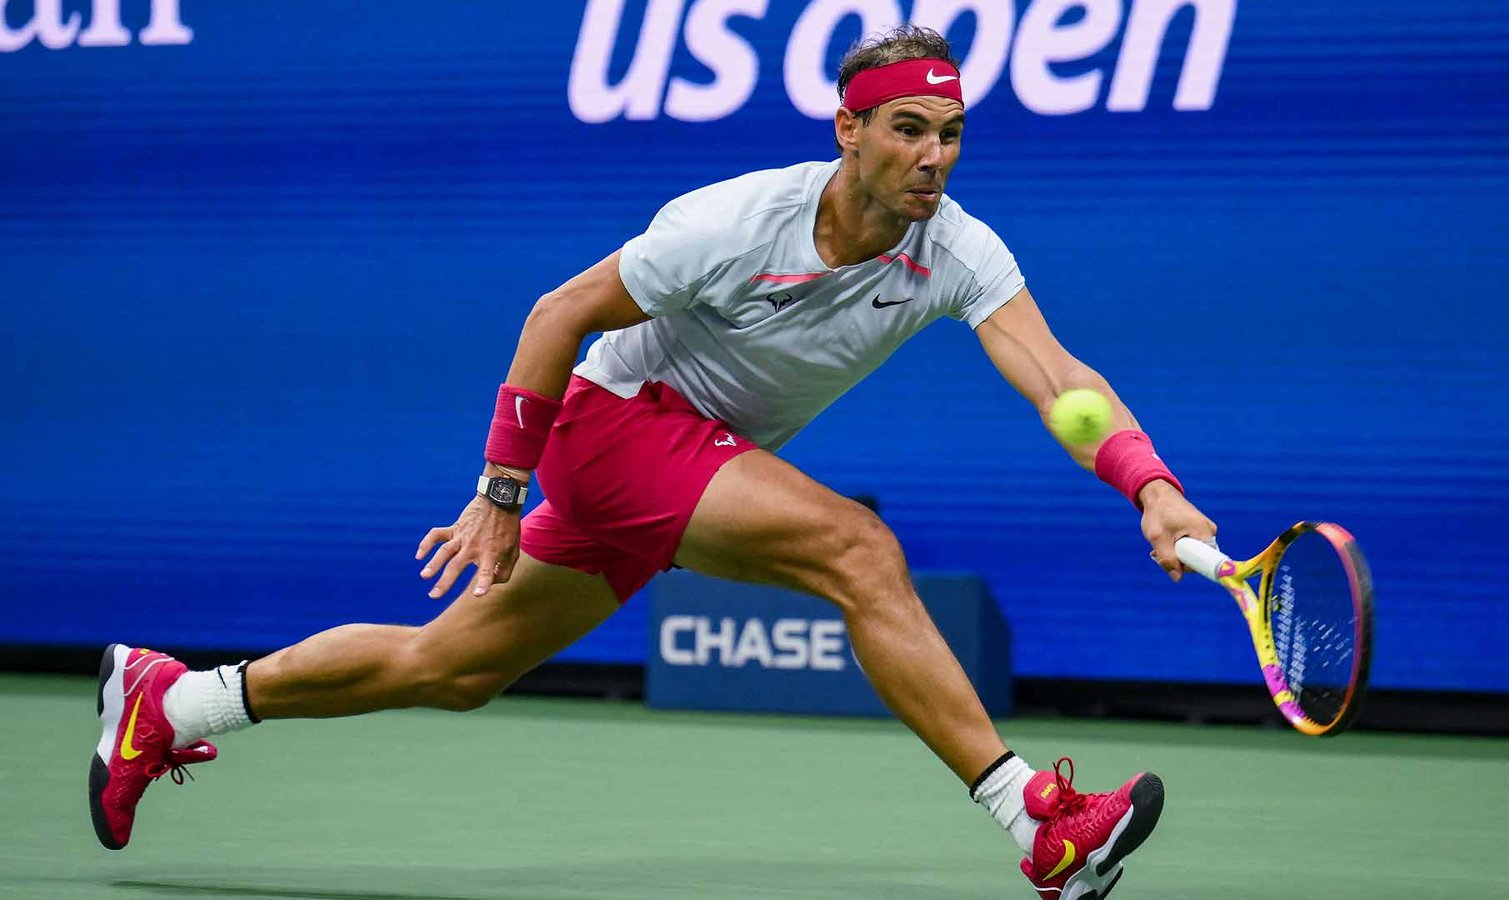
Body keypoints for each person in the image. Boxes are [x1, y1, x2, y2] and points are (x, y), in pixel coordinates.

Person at [90, 25, 1217, 898]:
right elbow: (557, 314)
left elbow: (1059, 382)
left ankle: (175, 702)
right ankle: (1038, 823)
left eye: (950, 134)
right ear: (850, 132)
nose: (933, 158)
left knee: (452, 667)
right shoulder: (731, 223)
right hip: (617, 426)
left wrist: (1151, 489)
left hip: (688, 466)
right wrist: (498, 487)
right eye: (908, 131)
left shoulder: (958, 248)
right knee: (855, 551)